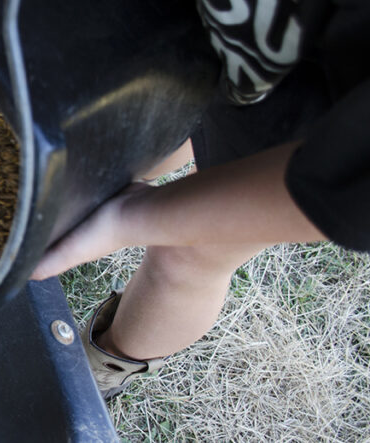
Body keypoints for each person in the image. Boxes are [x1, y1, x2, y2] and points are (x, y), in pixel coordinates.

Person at [30, 0, 370, 399]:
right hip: (205, 30)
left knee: (188, 254)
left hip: (311, 105)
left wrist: (128, 218)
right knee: (138, 138)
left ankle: (103, 366)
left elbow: (344, 191)